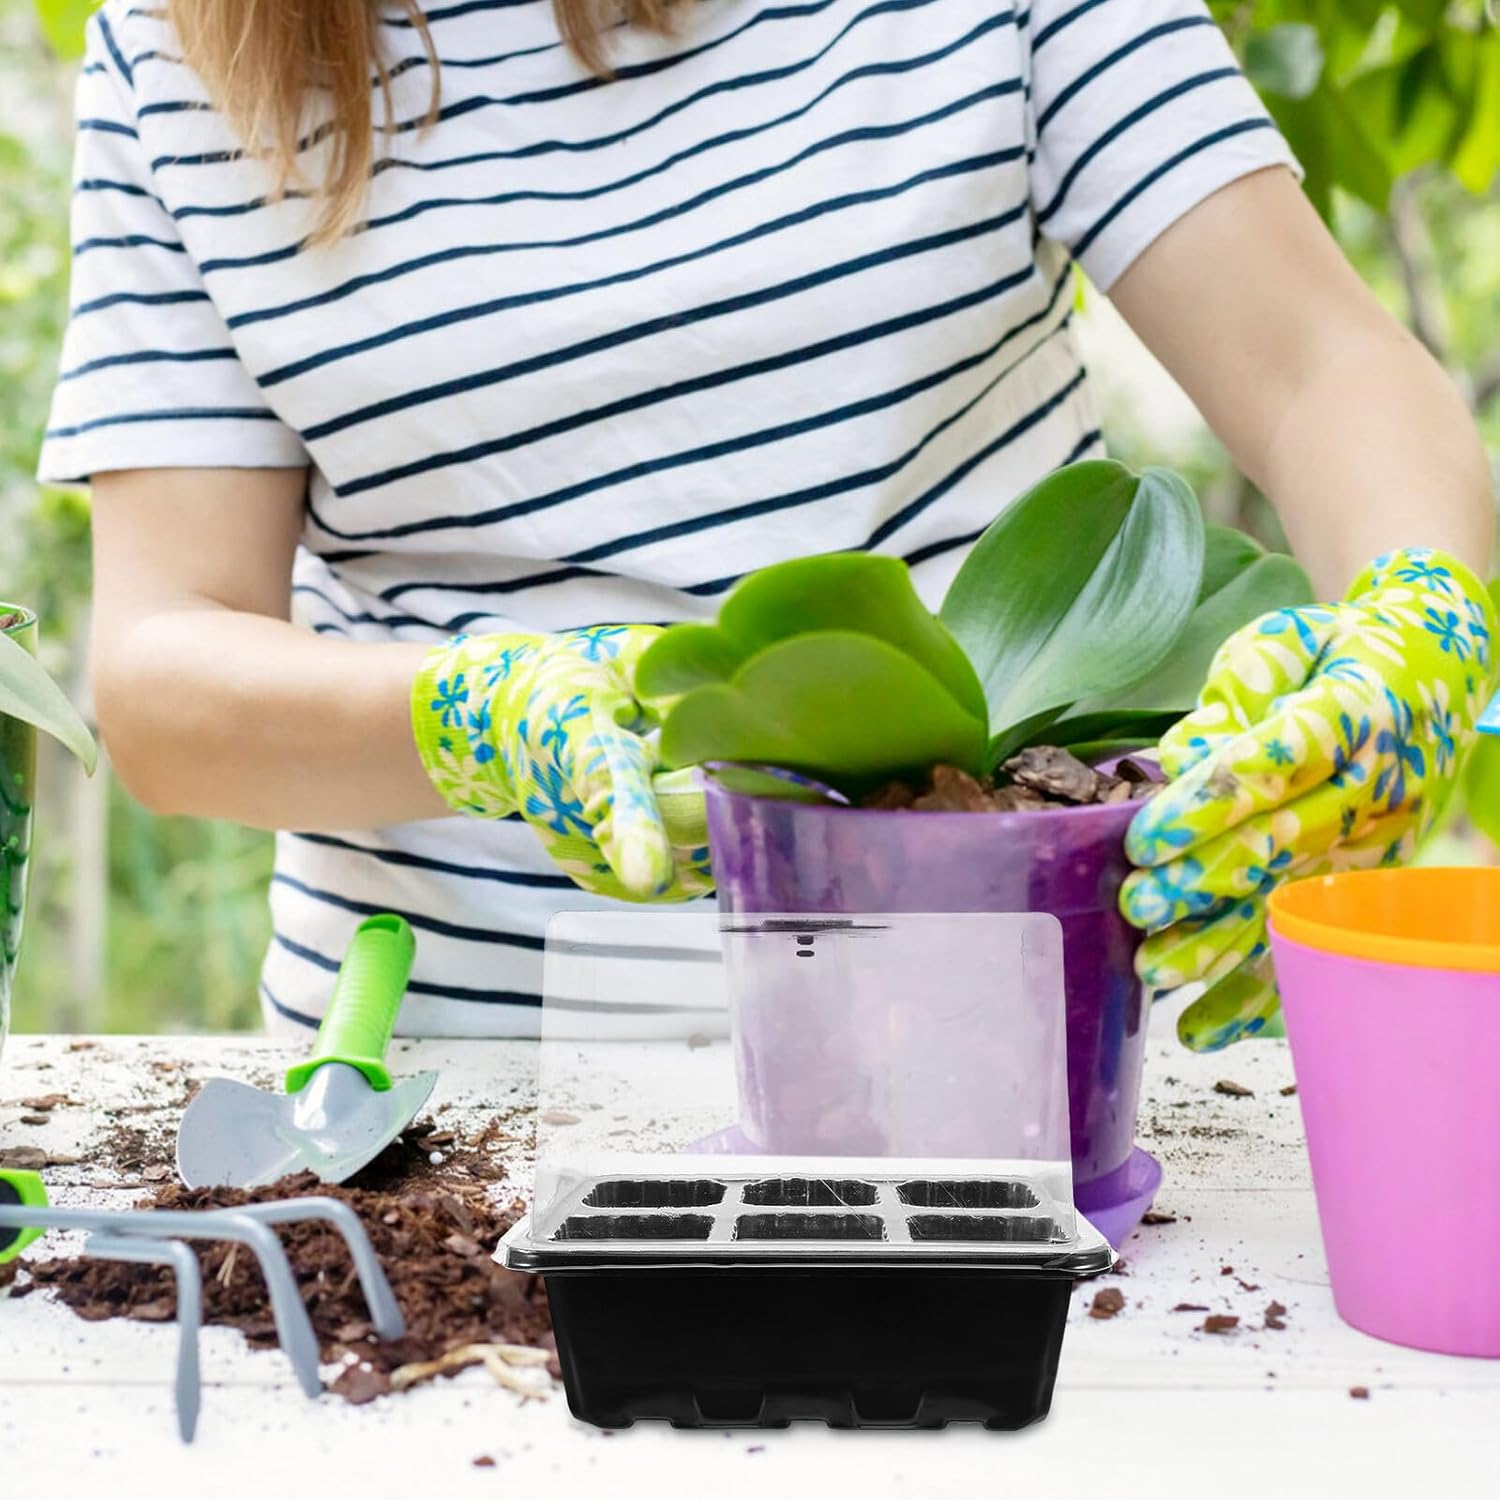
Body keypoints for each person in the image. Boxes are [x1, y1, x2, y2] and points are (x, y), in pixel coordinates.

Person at [42, 0, 1495, 1047]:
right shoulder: (178, 44)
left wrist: (1423, 624)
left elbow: (1321, 369)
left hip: (1013, 1044)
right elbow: (165, 671)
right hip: (450, 1092)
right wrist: (478, 715)